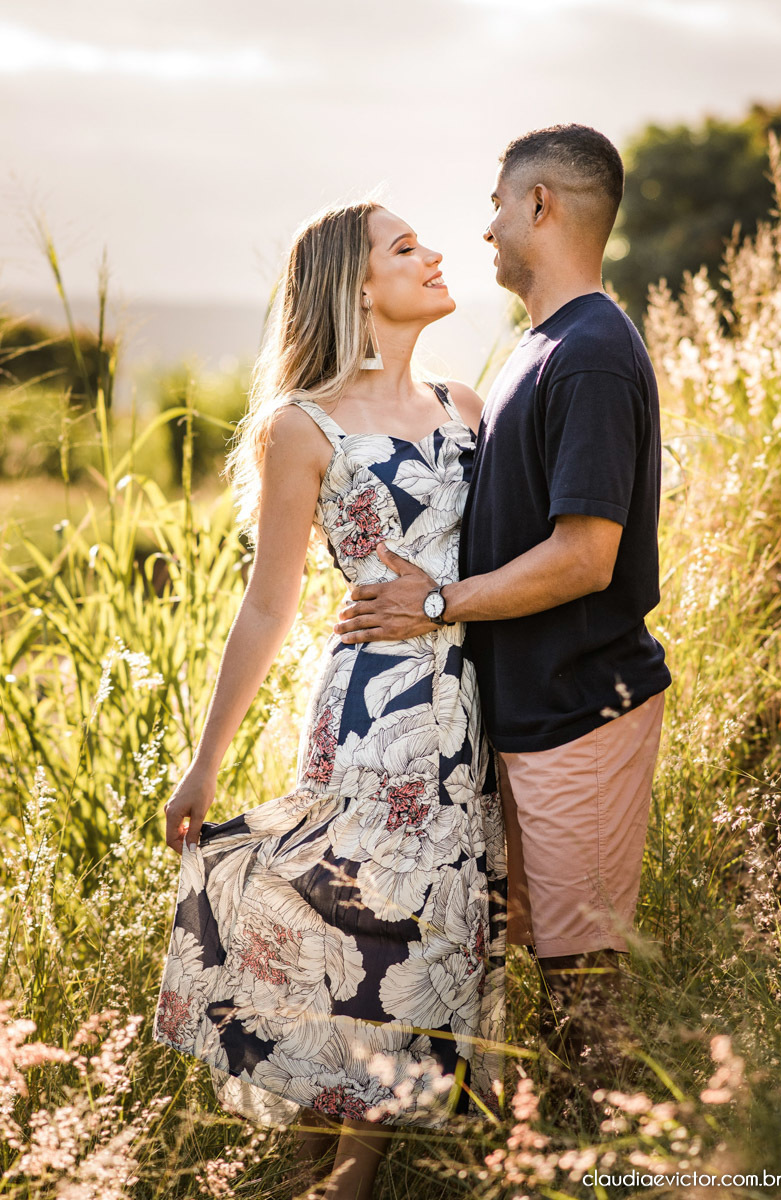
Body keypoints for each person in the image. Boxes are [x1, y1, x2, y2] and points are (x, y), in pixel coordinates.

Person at [153, 200, 506, 1200]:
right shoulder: (300, 428)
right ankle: (329, 1176)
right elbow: (269, 608)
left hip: (468, 714)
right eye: (406, 248)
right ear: (357, 286)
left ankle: (344, 1175)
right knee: (354, 937)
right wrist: (206, 762)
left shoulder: (467, 405)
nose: (435, 255)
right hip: (370, 721)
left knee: (435, 939)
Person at [334, 124, 672, 1093]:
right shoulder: (541, 346)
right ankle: (542, 1159)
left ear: (540, 205)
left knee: (580, 990)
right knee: (541, 968)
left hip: (580, 711)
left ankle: (605, 1171)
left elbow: (585, 556)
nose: (482, 230)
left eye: (495, 203)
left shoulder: (594, 351)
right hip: (525, 715)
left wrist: (434, 603)